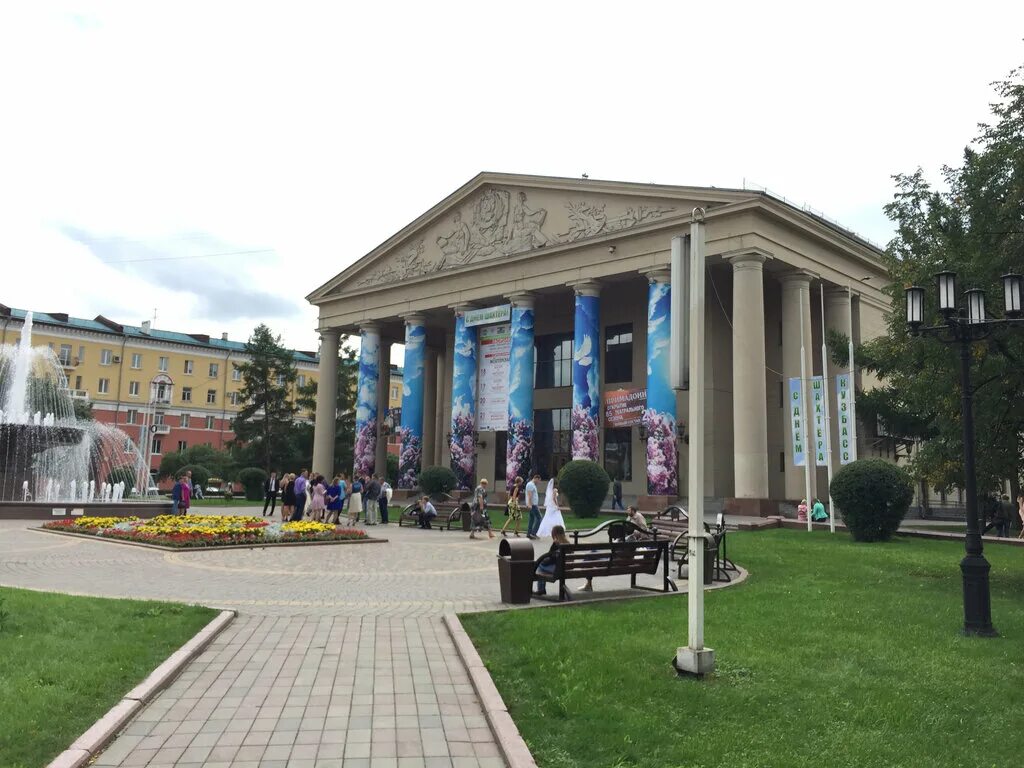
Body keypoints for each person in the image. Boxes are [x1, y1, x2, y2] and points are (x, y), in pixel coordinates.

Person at [534, 525, 571, 596]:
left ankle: (541, 590)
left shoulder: (556, 544)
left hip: (558, 569)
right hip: (568, 568)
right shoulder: (568, 543)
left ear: (554, 534)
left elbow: (550, 557)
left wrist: (543, 562)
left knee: (540, 566)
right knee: (541, 567)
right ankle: (541, 590)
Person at [525, 473, 542, 540]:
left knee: (531, 519)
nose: (539, 482)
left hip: (533, 505)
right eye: (539, 481)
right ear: (536, 478)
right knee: (539, 518)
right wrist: (529, 504)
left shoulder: (532, 485)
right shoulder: (530, 485)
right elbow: (529, 495)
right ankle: (533, 533)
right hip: (532, 505)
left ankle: (529, 534)